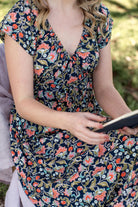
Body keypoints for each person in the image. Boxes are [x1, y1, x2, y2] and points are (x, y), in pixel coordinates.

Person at [0, 0, 137, 206]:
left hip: (91, 125)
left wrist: (128, 120)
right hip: (41, 136)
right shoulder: (22, 18)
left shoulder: (97, 16)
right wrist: (69, 122)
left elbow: (105, 88)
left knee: (133, 146)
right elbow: (24, 102)